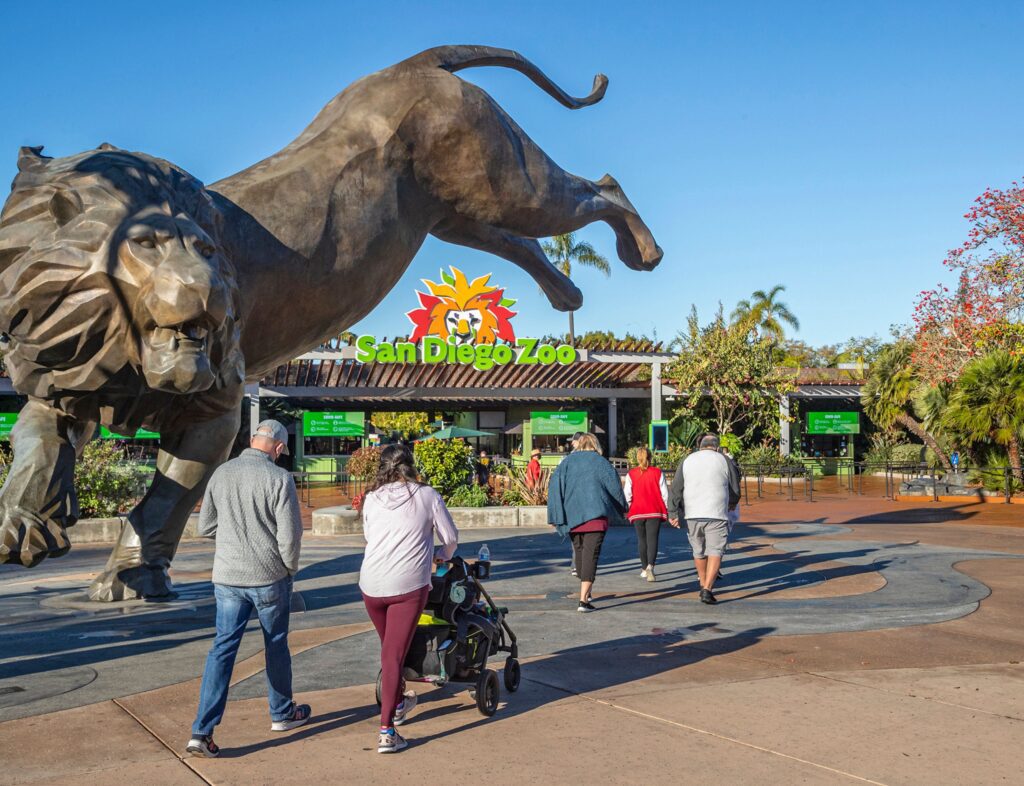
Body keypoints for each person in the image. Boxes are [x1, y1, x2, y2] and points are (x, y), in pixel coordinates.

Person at [186, 419, 309, 758]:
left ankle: (201, 731)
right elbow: (290, 536)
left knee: (222, 648)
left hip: (227, 576)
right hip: (268, 576)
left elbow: (205, 526)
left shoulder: (222, 473)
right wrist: (289, 570)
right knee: (276, 644)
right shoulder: (280, 478)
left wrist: (232, 538)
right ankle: (282, 713)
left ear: (254, 440)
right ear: (279, 448)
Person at [359, 444, 459, 754]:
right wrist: (439, 556)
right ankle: (387, 732)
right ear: (410, 465)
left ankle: (399, 703)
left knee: (391, 650)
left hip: (371, 586)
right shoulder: (427, 495)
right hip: (408, 586)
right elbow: (451, 538)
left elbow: (369, 536)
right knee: (393, 656)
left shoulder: (371, 498)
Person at [547, 432, 627, 612]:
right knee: (591, 556)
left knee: (581, 553)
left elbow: (554, 487)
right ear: (595, 444)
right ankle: (584, 600)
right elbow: (614, 487)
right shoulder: (601, 463)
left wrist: (555, 515)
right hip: (596, 518)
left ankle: (586, 589)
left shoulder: (567, 462)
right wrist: (623, 508)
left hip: (573, 518)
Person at [669, 433, 741, 605]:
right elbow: (735, 486)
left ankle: (702, 582)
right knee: (716, 550)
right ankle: (707, 589)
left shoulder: (688, 460)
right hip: (716, 512)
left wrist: (673, 512)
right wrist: (732, 502)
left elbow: (676, 487)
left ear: (700, 446)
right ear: (716, 447)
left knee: (698, 550)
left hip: (693, 512)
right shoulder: (724, 460)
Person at [623, 445, 669, 582]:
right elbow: (665, 493)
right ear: (650, 457)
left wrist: (630, 507)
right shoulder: (658, 472)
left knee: (641, 540)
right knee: (652, 539)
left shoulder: (631, 474)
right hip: (654, 510)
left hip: (638, 511)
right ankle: (651, 566)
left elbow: (627, 494)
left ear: (637, 458)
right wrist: (667, 509)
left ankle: (643, 568)